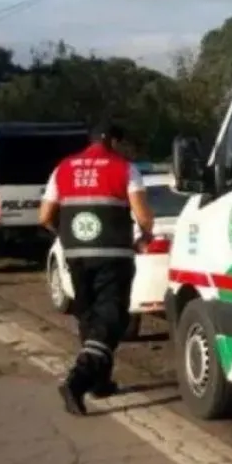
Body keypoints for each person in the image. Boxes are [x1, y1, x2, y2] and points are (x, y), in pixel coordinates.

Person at [39, 122, 155, 416]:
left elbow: (44, 216)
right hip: (113, 254)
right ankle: (77, 381)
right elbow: (143, 215)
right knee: (112, 318)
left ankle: (100, 382)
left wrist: (66, 236)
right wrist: (144, 236)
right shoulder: (125, 168)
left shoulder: (63, 168)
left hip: (76, 255)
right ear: (112, 141)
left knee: (89, 316)